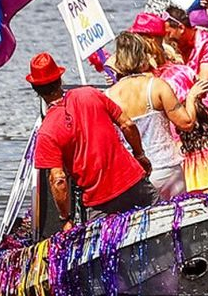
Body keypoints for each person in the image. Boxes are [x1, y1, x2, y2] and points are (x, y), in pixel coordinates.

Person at [27, 52, 154, 220]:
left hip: (99, 203)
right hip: (134, 183)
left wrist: (66, 218)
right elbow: (127, 125)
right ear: (60, 80)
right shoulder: (90, 94)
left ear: (36, 90)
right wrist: (140, 155)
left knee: (103, 244)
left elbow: (58, 180)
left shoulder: (46, 132)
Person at [103, 31, 189, 199]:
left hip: (133, 174)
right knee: (179, 218)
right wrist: (192, 99)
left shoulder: (107, 95)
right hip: (166, 169)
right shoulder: (156, 86)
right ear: (143, 57)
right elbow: (186, 123)